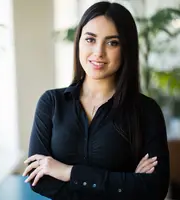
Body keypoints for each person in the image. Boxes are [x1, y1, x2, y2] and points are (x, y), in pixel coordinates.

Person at [22, 1, 170, 200]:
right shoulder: (51, 103)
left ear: (126, 48)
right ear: (79, 42)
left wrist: (68, 172)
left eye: (112, 43)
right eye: (90, 39)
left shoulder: (146, 111)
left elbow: (154, 189)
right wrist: (126, 182)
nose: (98, 52)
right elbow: (37, 180)